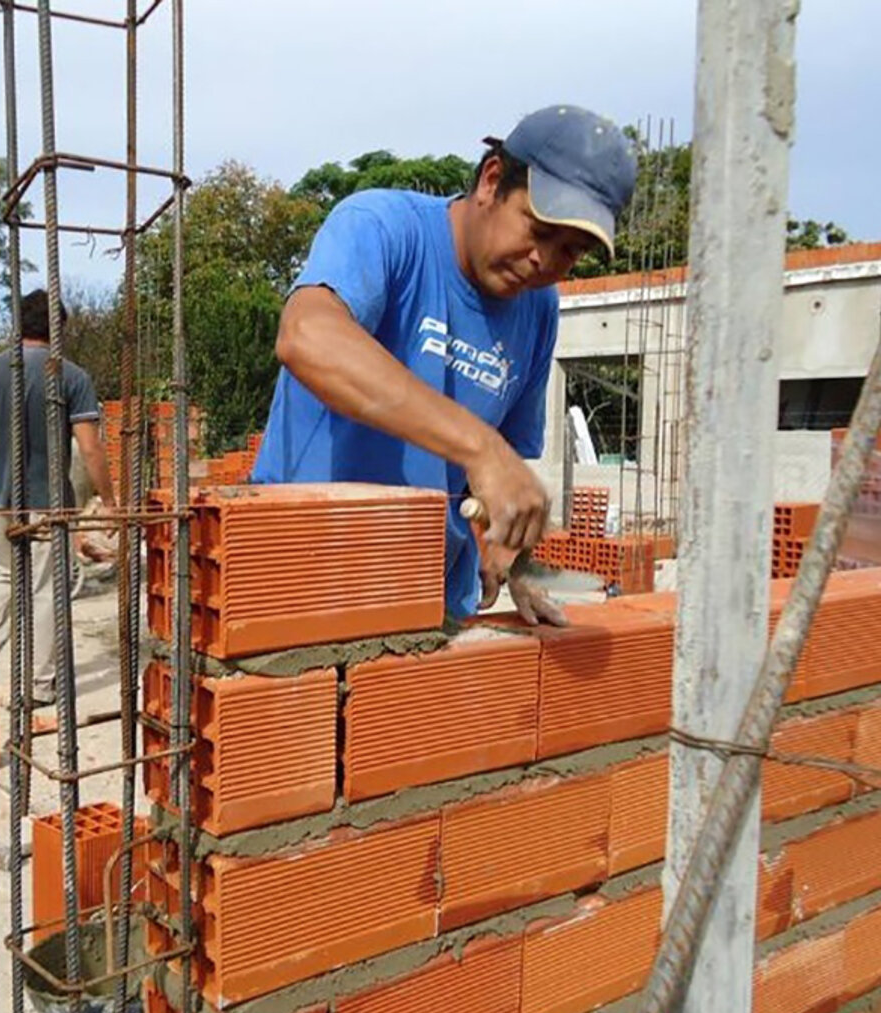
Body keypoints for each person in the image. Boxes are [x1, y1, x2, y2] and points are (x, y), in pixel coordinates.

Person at [251, 104, 636, 625]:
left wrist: (512, 554)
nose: (545, 262)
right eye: (540, 231)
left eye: (572, 251)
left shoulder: (538, 309)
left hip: (427, 608)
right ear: (492, 180)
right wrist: (479, 446)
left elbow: (498, 472)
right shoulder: (382, 228)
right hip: (299, 592)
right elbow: (307, 336)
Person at [0, 289, 115, 699]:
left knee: (4, 576)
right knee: (45, 591)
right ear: (59, 328)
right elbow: (90, 447)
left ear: (19, 325)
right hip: (48, 506)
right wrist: (110, 501)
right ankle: (42, 685)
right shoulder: (70, 376)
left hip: (3, 501)